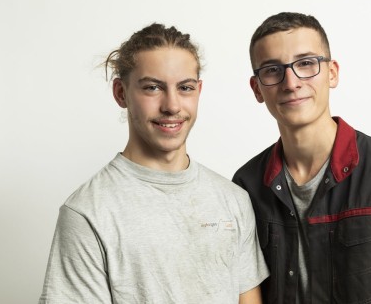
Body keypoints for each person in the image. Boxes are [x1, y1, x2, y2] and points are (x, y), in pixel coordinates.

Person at [39, 23, 268, 304]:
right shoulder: (87, 213)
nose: (172, 105)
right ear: (121, 93)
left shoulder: (233, 199)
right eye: (152, 87)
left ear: (198, 91)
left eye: (185, 87)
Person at [232, 12, 371, 304]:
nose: (291, 82)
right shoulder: (246, 185)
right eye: (271, 70)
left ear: (332, 73)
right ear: (257, 89)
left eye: (306, 64)